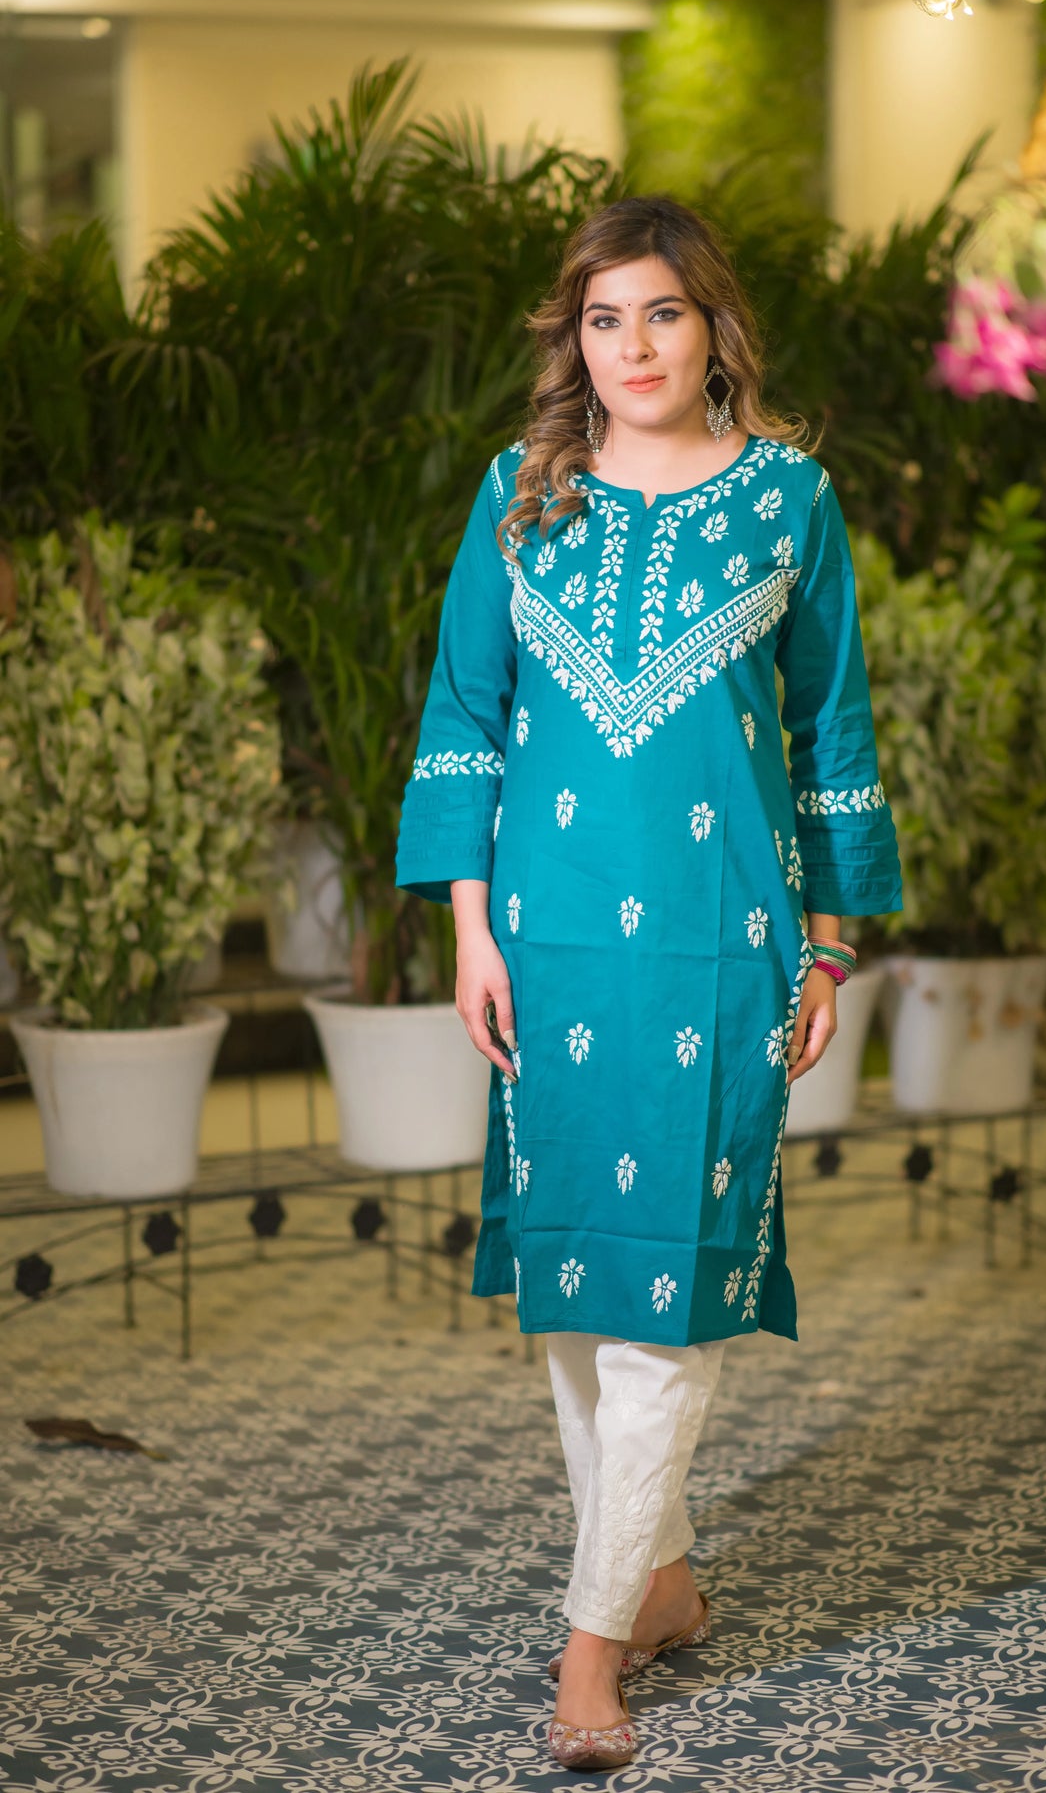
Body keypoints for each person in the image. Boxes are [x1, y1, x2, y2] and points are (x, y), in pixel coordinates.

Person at [393, 195, 903, 1771]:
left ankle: (591, 1648)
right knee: (574, 1289)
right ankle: (663, 1578)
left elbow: (832, 732)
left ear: (712, 329)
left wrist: (832, 940)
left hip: (718, 949)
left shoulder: (789, 501)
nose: (633, 348)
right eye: (605, 320)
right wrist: (471, 932)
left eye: (662, 315)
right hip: (544, 948)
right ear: (576, 338)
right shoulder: (520, 495)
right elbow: (466, 712)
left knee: (662, 1292)